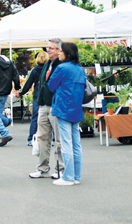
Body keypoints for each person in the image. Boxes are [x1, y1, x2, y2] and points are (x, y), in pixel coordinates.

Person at [48, 41, 85, 186]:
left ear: (67, 54)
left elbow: (51, 85)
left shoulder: (62, 67)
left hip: (63, 107)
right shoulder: (79, 69)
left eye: (61, 51)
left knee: (66, 144)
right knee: (76, 144)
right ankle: (76, 175)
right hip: (76, 108)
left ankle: (68, 176)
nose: (59, 53)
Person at [27, 39, 64, 179]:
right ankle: (42, 168)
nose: (48, 50)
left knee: (59, 139)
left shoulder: (61, 65)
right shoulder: (48, 64)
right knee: (42, 138)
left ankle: (61, 168)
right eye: (47, 47)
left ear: (59, 50)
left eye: (51, 48)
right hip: (43, 105)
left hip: (55, 106)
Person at [18, 51, 48, 146]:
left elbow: (28, 84)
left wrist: (21, 93)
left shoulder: (34, 70)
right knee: (51, 117)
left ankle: (31, 138)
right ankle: (51, 138)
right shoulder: (50, 69)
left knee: (35, 117)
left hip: (37, 95)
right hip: (49, 96)